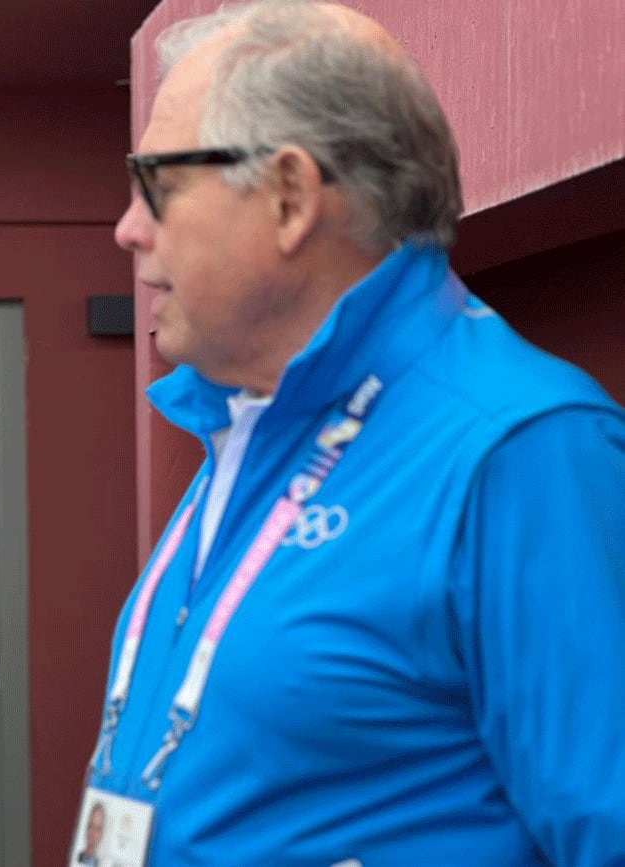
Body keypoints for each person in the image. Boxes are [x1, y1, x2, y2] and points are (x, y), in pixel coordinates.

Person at [81, 1, 625, 865]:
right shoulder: (247, 430)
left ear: (291, 197)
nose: (129, 229)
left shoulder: (521, 452)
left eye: (159, 184)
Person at [75, 801, 104, 865]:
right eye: (91, 826)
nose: (93, 833)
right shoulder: (76, 857)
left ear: (101, 834)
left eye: (97, 828)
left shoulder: (101, 863)